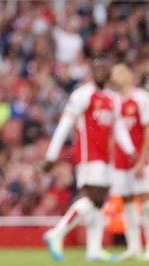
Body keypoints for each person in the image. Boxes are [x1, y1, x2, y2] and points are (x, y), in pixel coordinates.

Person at [43, 57, 136, 262]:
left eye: (104, 68)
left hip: (105, 157)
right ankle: (56, 233)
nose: (100, 72)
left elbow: (118, 127)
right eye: (96, 68)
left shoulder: (112, 99)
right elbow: (65, 124)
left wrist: (130, 149)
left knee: (98, 203)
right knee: (95, 198)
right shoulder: (83, 94)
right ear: (91, 71)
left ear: (110, 72)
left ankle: (94, 250)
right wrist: (51, 154)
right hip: (87, 155)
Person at [106, 63, 149, 260]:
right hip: (120, 162)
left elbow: (147, 129)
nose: (117, 76)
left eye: (120, 71)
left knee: (146, 203)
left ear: (130, 74)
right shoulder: (113, 101)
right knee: (127, 203)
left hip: (140, 160)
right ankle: (134, 246)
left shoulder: (141, 98)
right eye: (115, 72)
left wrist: (142, 160)